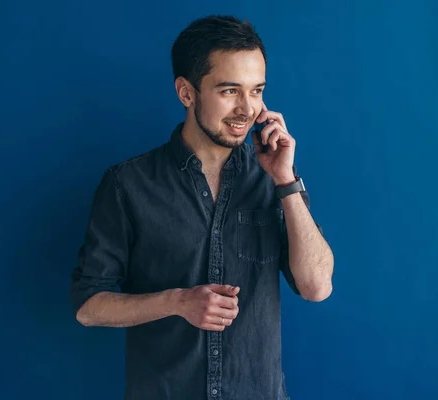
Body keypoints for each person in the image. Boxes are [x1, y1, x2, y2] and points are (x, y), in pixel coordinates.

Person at [69, 15, 334, 400]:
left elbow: (316, 287)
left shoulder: (275, 180)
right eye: (230, 91)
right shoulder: (128, 184)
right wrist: (176, 302)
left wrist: (285, 181)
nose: (248, 109)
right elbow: (88, 307)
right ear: (186, 93)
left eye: (257, 90)